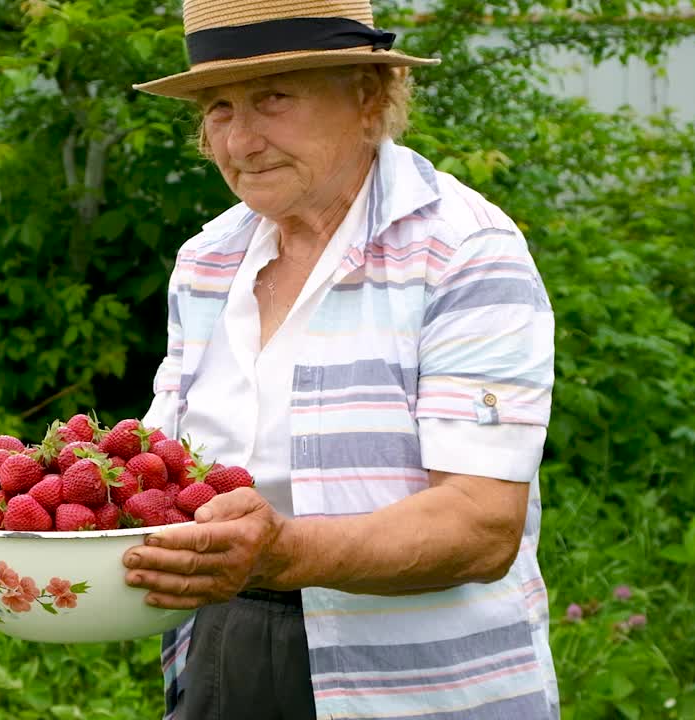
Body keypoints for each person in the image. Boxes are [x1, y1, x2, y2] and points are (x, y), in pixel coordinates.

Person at [121, 1, 560, 718]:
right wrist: (40, 493)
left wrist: (281, 553)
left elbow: (482, 527)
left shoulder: (463, 252)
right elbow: (165, 471)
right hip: (223, 642)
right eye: (220, 107)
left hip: (419, 682)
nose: (241, 139)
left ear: (367, 95)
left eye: (272, 97)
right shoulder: (207, 262)